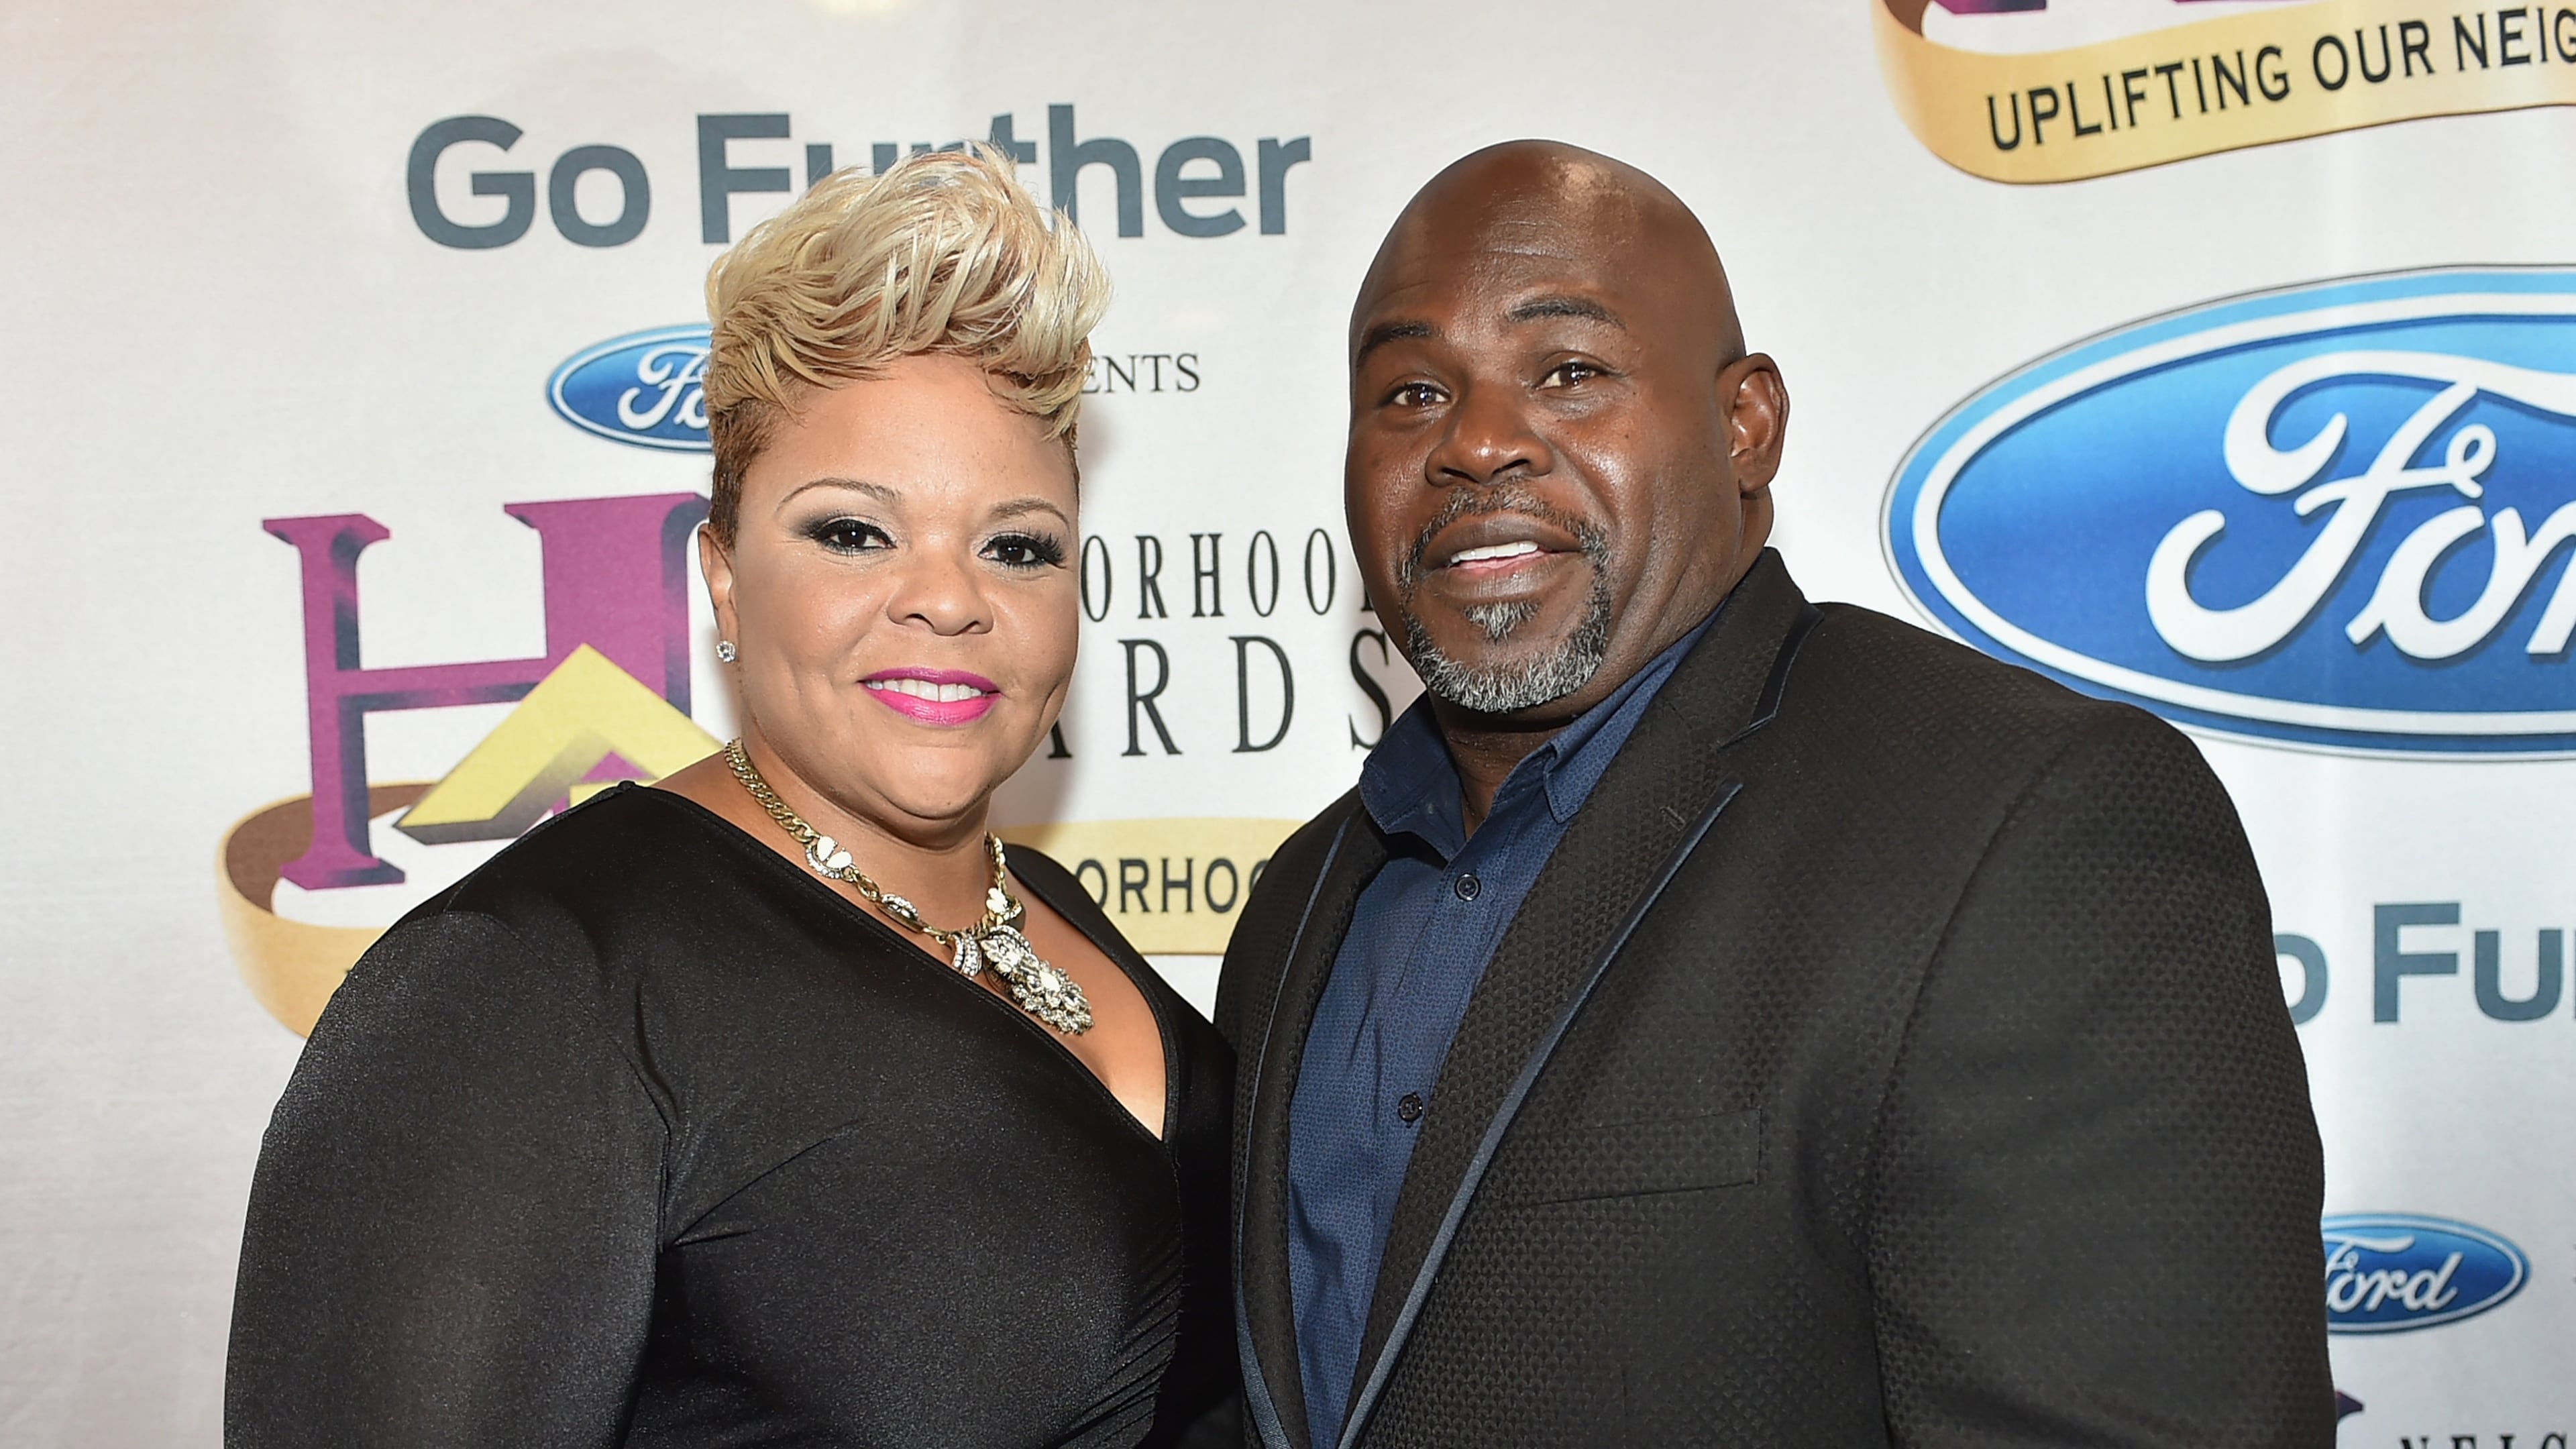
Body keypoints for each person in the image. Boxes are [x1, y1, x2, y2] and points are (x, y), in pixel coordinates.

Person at [1216, 141, 2332, 1449]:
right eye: (1410, 392)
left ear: (1746, 424)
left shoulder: (2024, 824)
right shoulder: (1301, 906)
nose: (1476, 441)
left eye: (1567, 371)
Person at [227, 147, 1234, 1448]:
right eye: (852, 531)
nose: (948, 596)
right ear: (721, 579)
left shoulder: (1050, 911)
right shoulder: (529, 984)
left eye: (1016, 545)